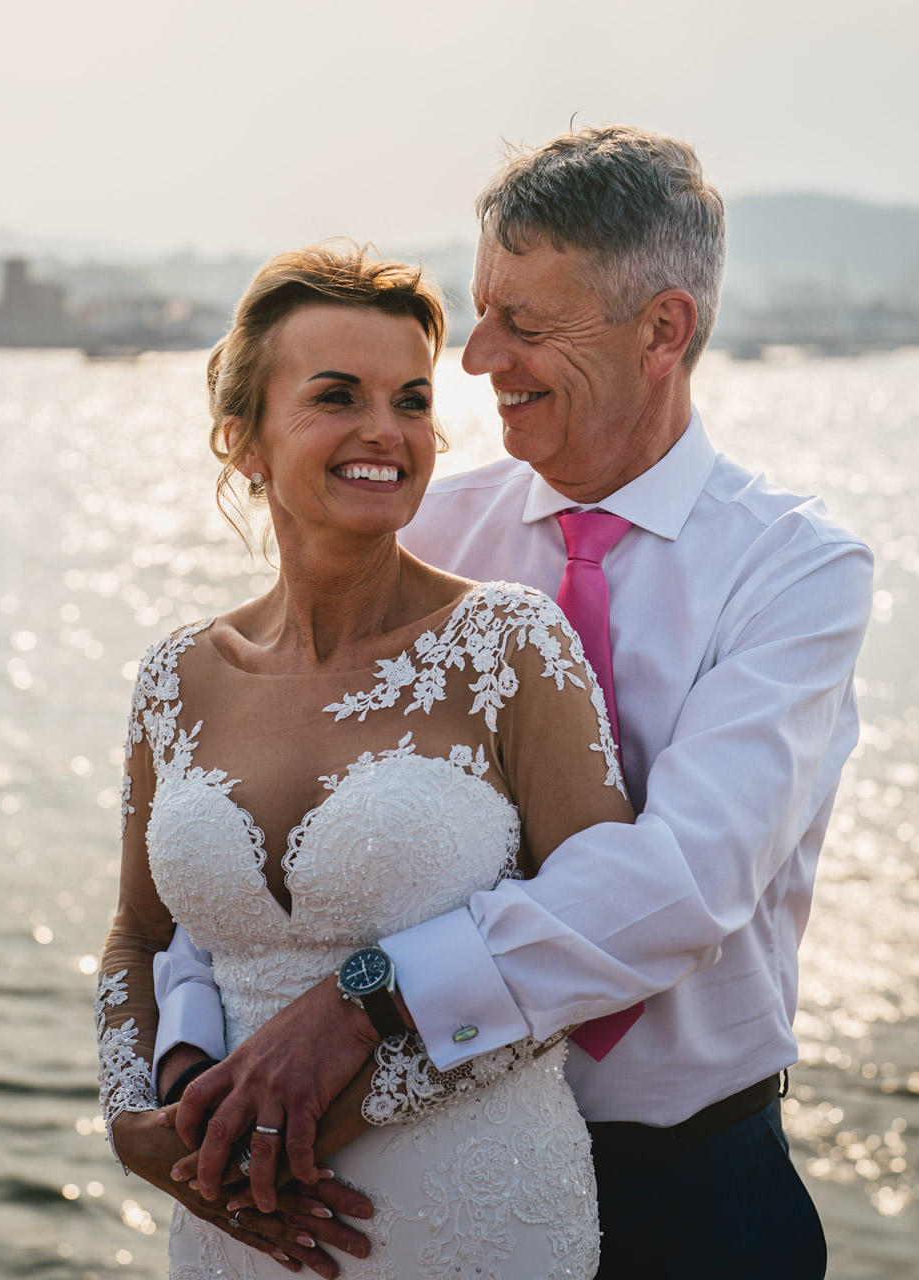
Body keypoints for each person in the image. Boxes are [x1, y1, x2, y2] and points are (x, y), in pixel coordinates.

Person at [152, 125, 875, 1278]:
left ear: (664, 329)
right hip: (389, 1178)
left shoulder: (794, 570)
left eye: (526, 322)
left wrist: (366, 1000)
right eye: (483, 310)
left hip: (685, 1190)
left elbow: (684, 881)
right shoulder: (427, 525)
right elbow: (250, 825)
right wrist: (186, 1075)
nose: (478, 355)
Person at [97, 243, 639, 1279]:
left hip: (473, 1216)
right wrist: (139, 1122)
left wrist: (331, 1101)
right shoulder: (176, 675)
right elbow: (138, 935)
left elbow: (594, 930)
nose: (385, 432)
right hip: (232, 1224)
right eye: (336, 396)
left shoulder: (509, 644)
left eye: (412, 398)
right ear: (242, 437)